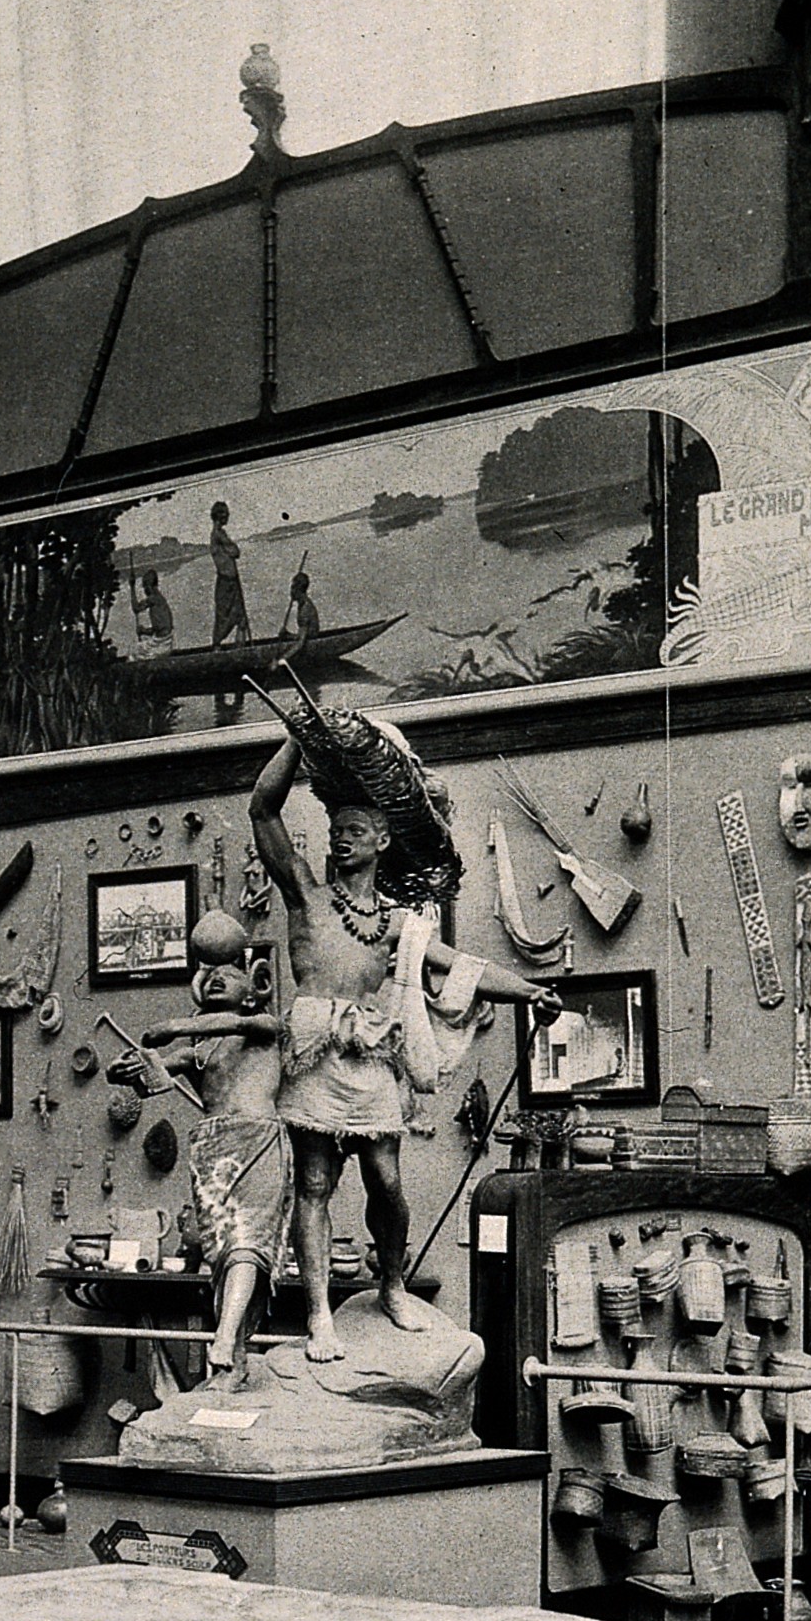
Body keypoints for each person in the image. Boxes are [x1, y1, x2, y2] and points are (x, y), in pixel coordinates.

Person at [250, 722, 558, 1360]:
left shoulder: (397, 925)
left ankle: (391, 1284)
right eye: (337, 831)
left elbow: (460, 967)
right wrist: (298, 743)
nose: (342, 839)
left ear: (383, 840)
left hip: (370, 1058)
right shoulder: (306, 895)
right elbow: (262, 807)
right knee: (314, 1183)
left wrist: (530, 992)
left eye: (356, 830)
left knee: (386, 1180)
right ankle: (319, 1318)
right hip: (313, 1053)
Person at [128, 914, 290, 1378]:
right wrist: (132, 1069)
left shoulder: (262, 1025)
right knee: (221, 1254)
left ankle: (222, 1339)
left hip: (257, 1139)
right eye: (208, 973)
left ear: (255, 983)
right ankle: (234, 1363)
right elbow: (157, 1071)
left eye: (230, 972)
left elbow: (242, 1027)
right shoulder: (200, 1048)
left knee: (247, 1244)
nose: (217, 978)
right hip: (212, 1150)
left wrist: (172, 1026)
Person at [207, 501, 251, 645]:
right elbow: (236, 552)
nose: (228, 517)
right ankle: (217, 649)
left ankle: (241, 649)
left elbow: (234, 552)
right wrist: (231, 548)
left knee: (241, 618)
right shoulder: (217, 535)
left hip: (231, 581)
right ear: (218, 516)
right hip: (226, 583)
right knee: (223, 619)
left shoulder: (221, 534)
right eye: (225, 514)